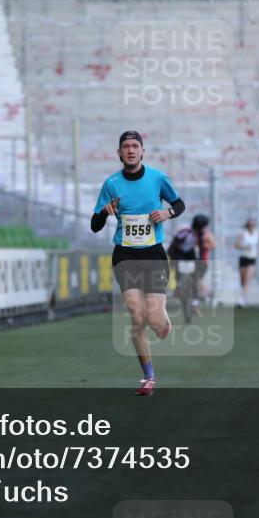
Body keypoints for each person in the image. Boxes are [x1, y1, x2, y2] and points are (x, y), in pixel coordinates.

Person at [92, 131, 185, 396]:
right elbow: (95, 225)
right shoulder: (111, 184)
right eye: (125, 147)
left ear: (142, 152)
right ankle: (149, 377)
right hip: (126, 255)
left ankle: (164, 322)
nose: (130, 150)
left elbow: (179, 203)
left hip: (153, 255)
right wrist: (104, 211)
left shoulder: (157, 178)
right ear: (119, 153)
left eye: (135, 146)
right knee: (137, 317)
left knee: (154, 321)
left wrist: (167, 212)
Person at [167, 214, 214, 322]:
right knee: (179, 276)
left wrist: (201, 265)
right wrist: (173, 262)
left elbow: (201, 252)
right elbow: (172, 247)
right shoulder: (184, 232)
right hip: (178, 254)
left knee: (195, 279)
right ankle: (179, 285)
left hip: (190, 254)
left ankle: (194, 303)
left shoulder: (200, 235)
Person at [235, 218, 259, 308]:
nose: (251, 227)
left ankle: (242, 299)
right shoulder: (243, 234)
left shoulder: (257, 234)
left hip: (252, 259)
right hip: (243, 258)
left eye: (253, 225)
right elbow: (236, 245)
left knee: (247, 279)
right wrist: (244, 247)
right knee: (242, 280)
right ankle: (243, 295)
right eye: (249, 225)